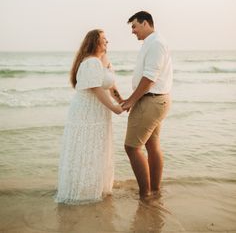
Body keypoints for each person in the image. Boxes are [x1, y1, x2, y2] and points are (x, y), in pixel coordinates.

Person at [55, 29, 123, 205]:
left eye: (107, 38)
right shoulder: (91, 62)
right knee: (87, 148)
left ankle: (95, 186)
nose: (107, 41)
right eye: (103, 39)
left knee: (97, 148)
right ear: (95, 42)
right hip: (87, 112)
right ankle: (81, 192)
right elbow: (96, 88)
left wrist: (122, 101)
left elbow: (110, 85)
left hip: (99, 112)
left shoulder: (103, 62)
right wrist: (114, 108)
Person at [122, 11, 173, 199]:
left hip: (151, 100)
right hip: (153, 100)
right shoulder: (150, 43)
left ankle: (145, 195)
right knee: (152, 146)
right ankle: (154, 190)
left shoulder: (156, 43)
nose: (132, 31)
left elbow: (149, 78)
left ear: (145, 23)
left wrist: (131, 101)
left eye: (134, 26)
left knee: (132, 148)